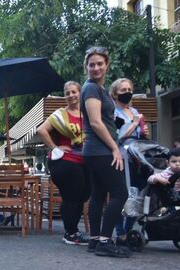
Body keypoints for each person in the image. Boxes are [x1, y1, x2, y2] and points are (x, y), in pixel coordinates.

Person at [80, 47, 131, 257]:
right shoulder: (91, 88)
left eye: (100, 63)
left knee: (99, 195)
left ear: (106, 64)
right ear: (87, 67)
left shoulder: (98, 88)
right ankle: (105, 241)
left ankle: (94, 240)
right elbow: (95, 122)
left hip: (95, 150)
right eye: (91, 64)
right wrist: (114, 148)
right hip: (100, 150)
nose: (96, 67)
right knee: (120, 194)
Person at [37, 81, 90, 245]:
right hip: (66, 161)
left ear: (80, 93)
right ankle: (71, 232)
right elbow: (41, 130)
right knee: (72, 195)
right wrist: (55, 147)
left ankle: (72, 231)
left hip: (86, 160)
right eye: (67, 93)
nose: (71, 95)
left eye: (74, 92)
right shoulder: (60, 114)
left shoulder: (88, 113)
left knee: (84, 194)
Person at [110, 78, 149, 244]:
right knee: (120, 193)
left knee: (138, 192)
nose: (126, 92)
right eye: (122, 89)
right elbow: (118, 135)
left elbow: (140, 134)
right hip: (121, 155)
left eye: (128, 89)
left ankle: (128, 230)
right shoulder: (113, 112)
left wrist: (143, 131)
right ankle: (120, 232)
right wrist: (134, 124)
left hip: (137, 156)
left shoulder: (135, 111)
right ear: (115, 93)